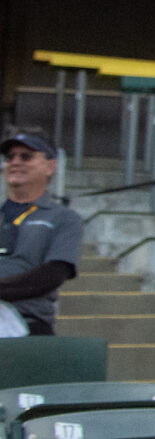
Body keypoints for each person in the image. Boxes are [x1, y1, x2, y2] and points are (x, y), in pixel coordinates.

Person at [0, 131, 83, 337]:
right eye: (10, 157)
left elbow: (52, 275)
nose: (15, 162)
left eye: (26, 156)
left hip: (28, 323)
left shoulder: (63, 218)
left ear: (50, 166)